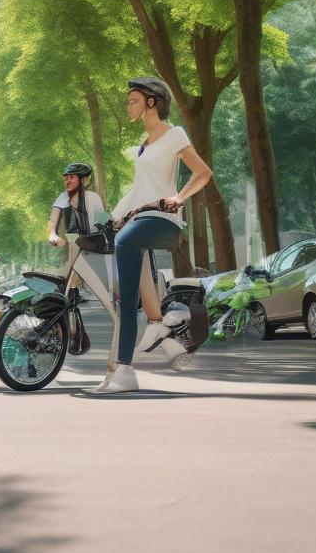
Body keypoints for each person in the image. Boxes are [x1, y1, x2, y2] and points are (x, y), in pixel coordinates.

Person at [93, 77, 213, 394]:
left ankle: (127, 368)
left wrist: (180, 197)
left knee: (124, 242)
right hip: (141, 218)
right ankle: (138, 357)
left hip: (163, 218)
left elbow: (203, 173)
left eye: (133, 101)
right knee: (128, 301)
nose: (128, 106)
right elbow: (138, 190)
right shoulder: (145, 144)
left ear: (152, 102)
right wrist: (110, 218)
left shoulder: (174, 134)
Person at [48, 162, 105, 354]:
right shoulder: (64, 197)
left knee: (72, 291)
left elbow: (103, 221)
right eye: (65, 177)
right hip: (76, 246)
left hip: (94, 246)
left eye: (71, 177)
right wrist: (53, 234)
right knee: (67, 290)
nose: (67, 181)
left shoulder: (93, 197)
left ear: (83, 179)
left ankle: (69, 332)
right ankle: (68, 333)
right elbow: (53, 219)